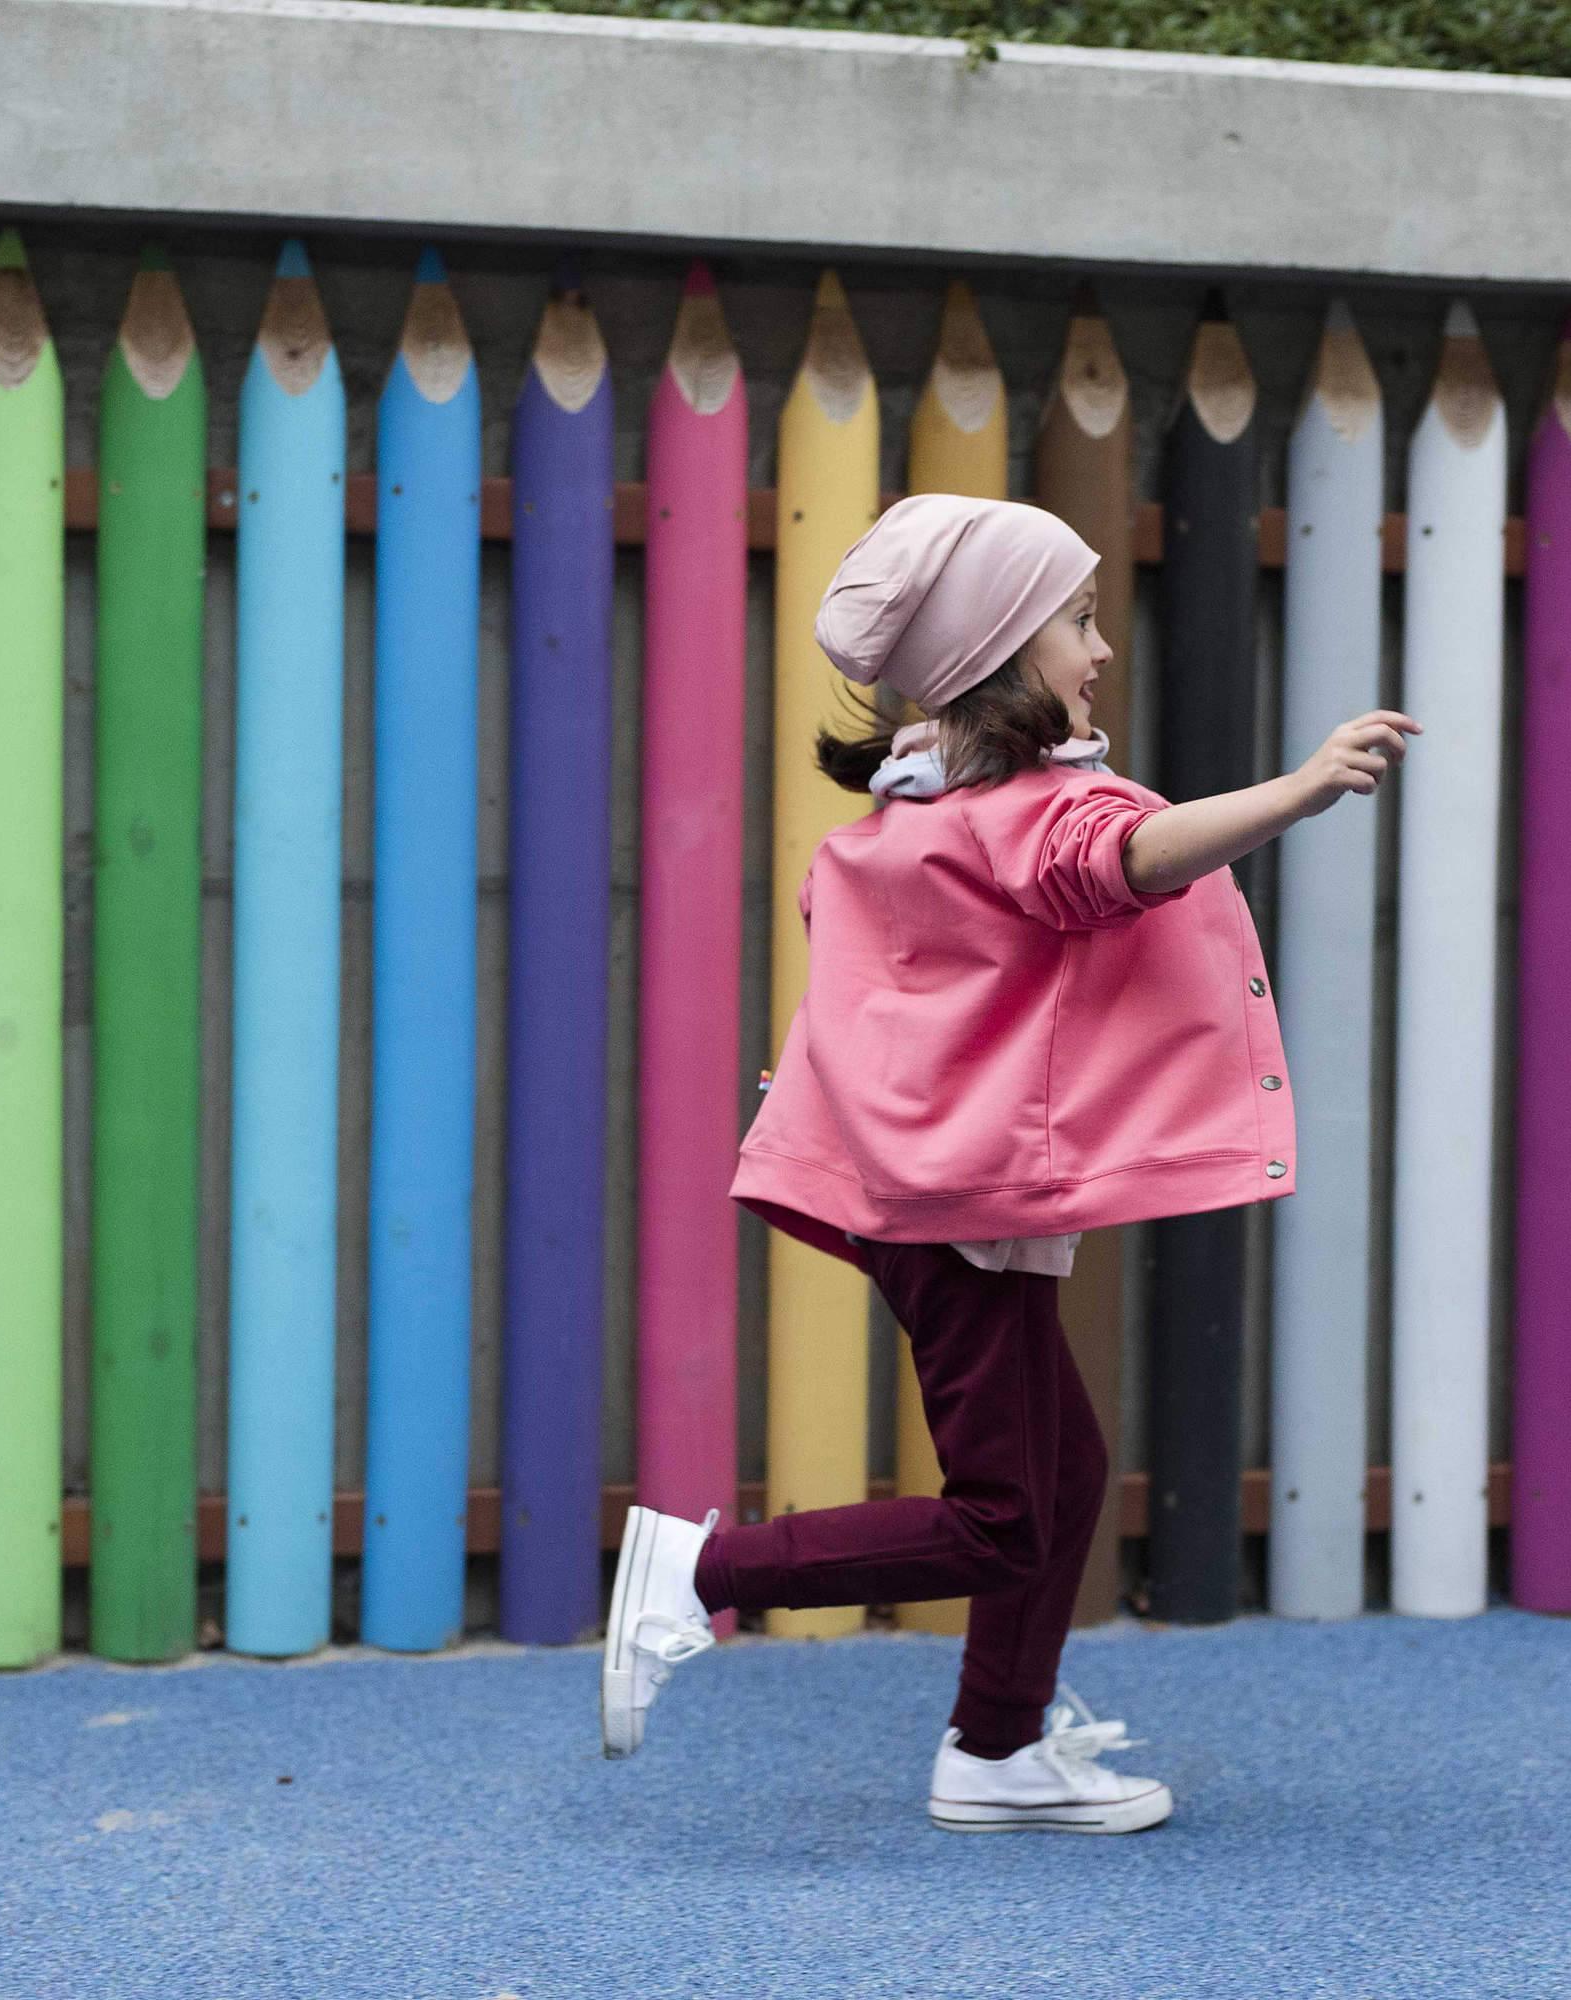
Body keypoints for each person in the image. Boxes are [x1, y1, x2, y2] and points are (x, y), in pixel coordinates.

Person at [601, 491, 1418, 1833]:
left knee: (1064, 1478)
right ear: (995, 652)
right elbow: (1127, 859)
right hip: (955, 1209)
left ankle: (994, 1750)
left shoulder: (923, 806)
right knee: (1003, 1515)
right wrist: (1301, 788)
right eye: (1077, 620)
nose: (1100, 649)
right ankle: (699, 1574)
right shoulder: (1021, 817)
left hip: (940, 1195)